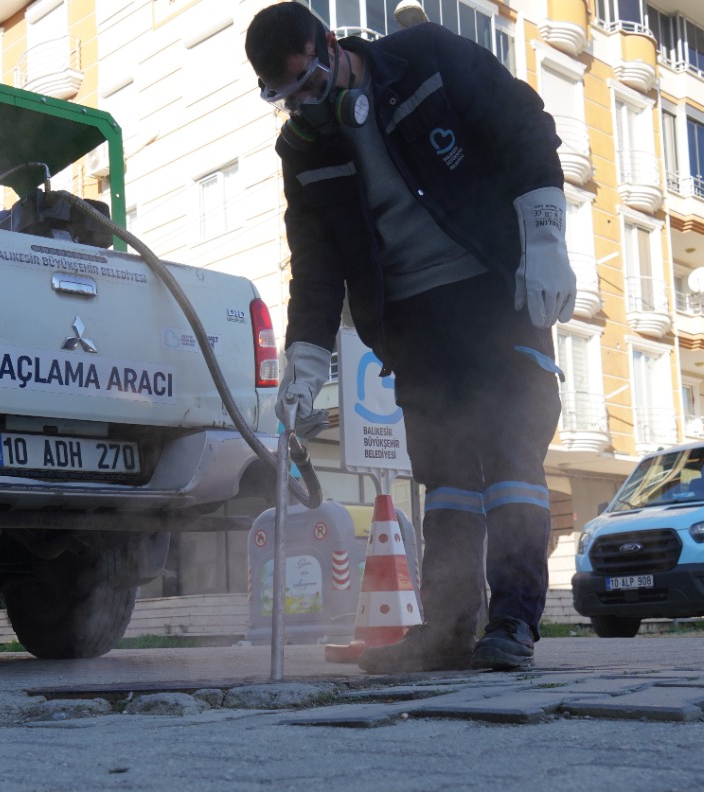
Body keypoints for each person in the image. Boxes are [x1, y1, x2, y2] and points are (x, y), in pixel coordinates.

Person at [244, 2, 576, 673]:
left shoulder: (426, 58)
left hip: (493, 290)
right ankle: (448, 631)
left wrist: (544, 234)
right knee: (446, 475)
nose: (306, 106)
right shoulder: (302, 148)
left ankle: (513, 622)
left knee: (511, 459)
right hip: (411, 320)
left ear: (331, 46)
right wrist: (304, 361)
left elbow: (524, 125)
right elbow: (316, 264)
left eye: (312, 85)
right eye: (287, 99)